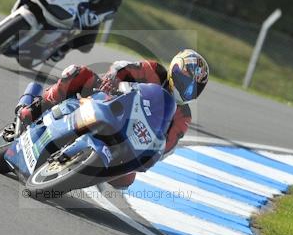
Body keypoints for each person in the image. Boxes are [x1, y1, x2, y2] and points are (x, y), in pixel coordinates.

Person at [17, 49, 210, 188]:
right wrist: (112, 79)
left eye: (193, 88)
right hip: (106, 101)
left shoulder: (183, 116)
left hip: (128, 142)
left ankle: (77, 172)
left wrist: (153, 152)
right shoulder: (153, 70)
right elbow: (122, 68)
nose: (186, 89)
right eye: (184, 81)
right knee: (77, 73)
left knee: (126, 179)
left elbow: (167, 145)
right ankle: (33, 109)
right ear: (173, 71)